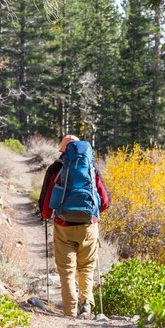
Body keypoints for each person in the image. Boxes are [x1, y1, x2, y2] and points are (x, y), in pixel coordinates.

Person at [38, 135, 110, 318]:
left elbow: (46, 199)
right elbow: (105, 201)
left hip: (64, 226)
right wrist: (93, 214)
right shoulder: (91, 168)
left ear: (63, 150)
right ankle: (86, 305)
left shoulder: (56, 168)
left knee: (67, 270)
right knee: (86, 267)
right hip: (88, 226)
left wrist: (46, 215)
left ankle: (70, 313)